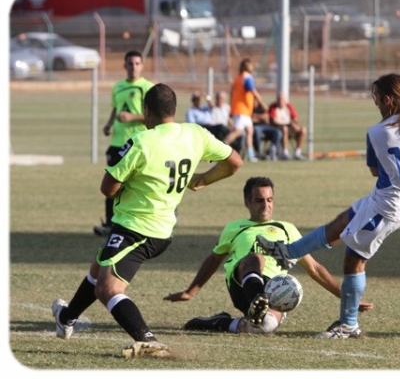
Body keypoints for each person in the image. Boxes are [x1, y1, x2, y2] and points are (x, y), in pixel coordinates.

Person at [51, 83, 243, 358]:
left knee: (107, 288)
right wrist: (202, 180)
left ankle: (148, 339)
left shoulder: (141, 141)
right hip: (162, 229)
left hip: (136, 229)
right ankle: (66, 318)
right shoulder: (196, 133)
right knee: (100, 266)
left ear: (147, 110)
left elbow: (108, 188)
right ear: (174, 109)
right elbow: (234, 162)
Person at [257, 73, 400, 339]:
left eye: (376, 98)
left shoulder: (376, 132)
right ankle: (289, 252)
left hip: (388, 207)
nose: (375, 103)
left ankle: (348, 324)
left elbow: (374, 170)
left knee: (354, 260)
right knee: (341, 223)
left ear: (387, 99)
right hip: (393, 200)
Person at [163, 177, 373, 335]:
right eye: (259, 200)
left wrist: (348, 299)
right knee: (255, 258)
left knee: (264, 327)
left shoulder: (287, 229)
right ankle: (257, 297)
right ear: (247, 202)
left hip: (277, 290)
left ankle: (221, 322)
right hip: (241, 285)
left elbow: (315, 268)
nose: (265, 205)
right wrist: (190, 291)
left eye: (269, 200)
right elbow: (214, 259)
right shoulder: (235, 227)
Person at [94, 50, 154, 237]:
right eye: (130, 63)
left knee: (140, 184)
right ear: (125, 65)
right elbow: (116, 109)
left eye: (137, 63)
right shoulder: (118, 87)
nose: (133, 67)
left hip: (138, 143)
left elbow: (155, 116)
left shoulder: (148, 88)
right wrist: (109, 124)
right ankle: (110, 224)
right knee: (112, 183)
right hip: (117, 143)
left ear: (142, 66)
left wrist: (132, 117)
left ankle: (145, 222)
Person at [224, 58, 268, 162]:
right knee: (238, 131)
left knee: (249, 130)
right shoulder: (247, 77)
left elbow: (235, 93)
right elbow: (253, 91)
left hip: (242, 109)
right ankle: (221, 146)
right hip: (242, 109)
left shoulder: (238, 78)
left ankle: (251, 155)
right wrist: (262, 103)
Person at [268, 92, 307, 160]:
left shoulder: (289, 107)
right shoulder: (273, 107)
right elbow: (274, 121)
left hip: (290, 128)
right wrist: (289, 124)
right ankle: (285, 153)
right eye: (279, 99)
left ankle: (297, 153)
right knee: (284, 128)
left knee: (303, 129)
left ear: (285, 100)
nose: (281, 101)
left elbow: (295, 119)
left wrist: (295, 125)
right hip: (279, 129)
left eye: (282, 99)